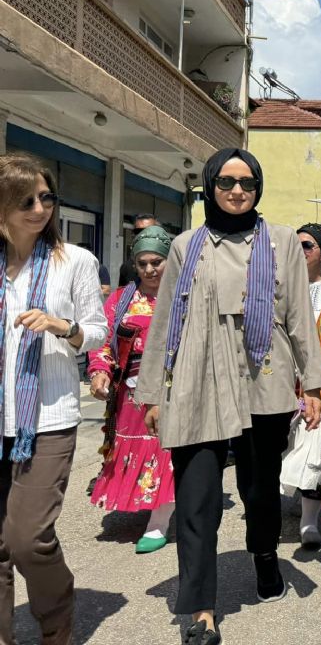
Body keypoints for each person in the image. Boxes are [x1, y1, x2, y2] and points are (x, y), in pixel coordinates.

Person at [137, 148, 321, 645]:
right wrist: (154, 391)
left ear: (258, 187)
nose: (237, 191)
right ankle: (199, 609)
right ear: (210, 187)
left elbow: (300, 318)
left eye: (247, 182)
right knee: (198, 497)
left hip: (263, 377)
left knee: (259, 490)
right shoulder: (185, 245)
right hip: (198, 375)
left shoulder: (283, 241)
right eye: (226, 182)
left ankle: (264, 554)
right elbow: (164, 322)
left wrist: (314, 382)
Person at [0, 153, 107, 645]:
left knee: (28, 540)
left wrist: (63, 327)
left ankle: (56, 620)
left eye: (47, 197)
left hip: (46, 417)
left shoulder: (76, 262)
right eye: (27, 199)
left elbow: (100, 333)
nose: (40, 208)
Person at [88, 225, 176, 554]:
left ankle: (159, 522)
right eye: (143, 264)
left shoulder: (184, 296)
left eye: (157, 262)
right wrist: (99, 372)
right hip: (131, 392)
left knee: (164, 451)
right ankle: (149, 504)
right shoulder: (121, 300)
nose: (150, 269)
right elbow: (104, 341)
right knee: (139, 450)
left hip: (172, 389)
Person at [279, 223, 321, 550]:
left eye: (307, 246)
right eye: (296, 244)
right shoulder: (274, 287)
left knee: (314, 452)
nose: (300, 252)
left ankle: (308, 521)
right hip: (274, 382)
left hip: (316, 385)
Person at [117, 214, 160, 286]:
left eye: (149, 231)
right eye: (139, 232)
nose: (143, 235)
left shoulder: (170, 263)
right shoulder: (127, 267)